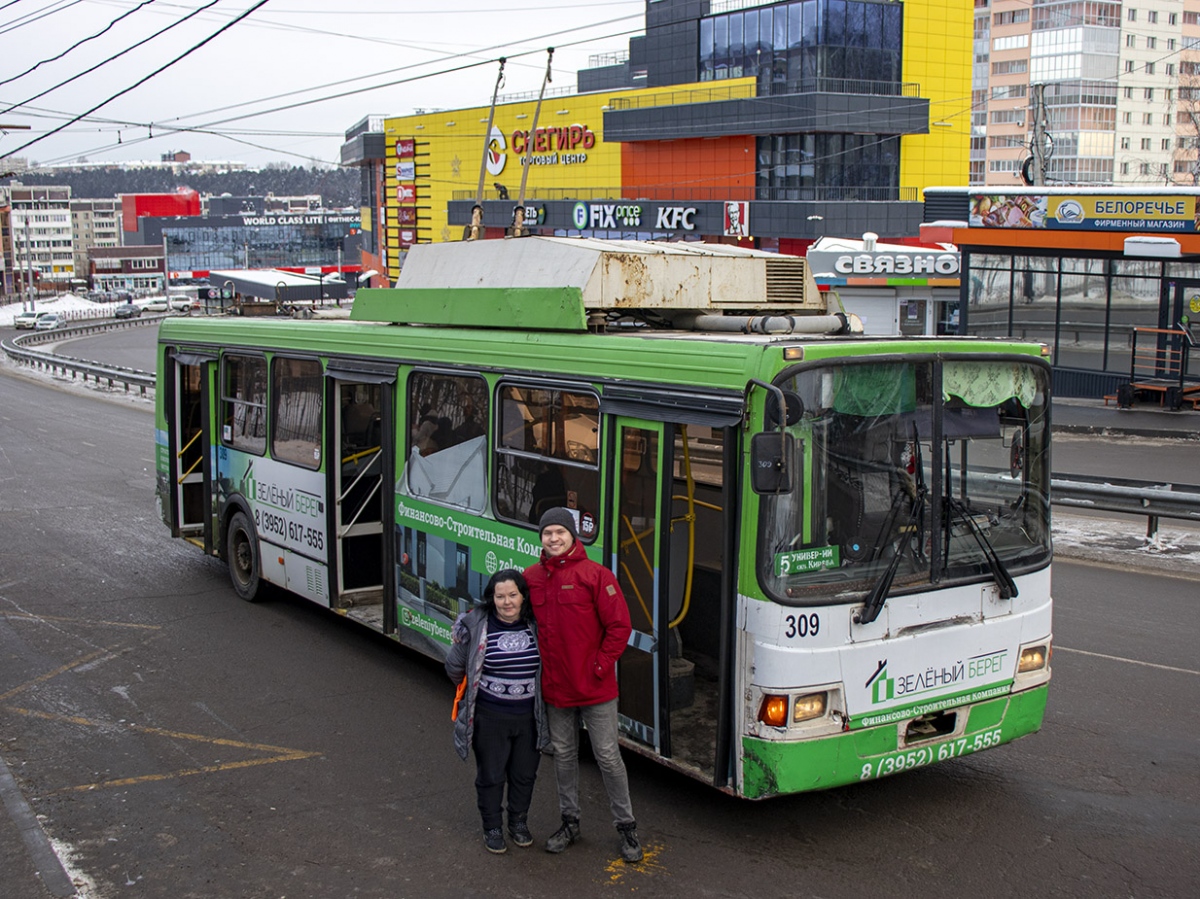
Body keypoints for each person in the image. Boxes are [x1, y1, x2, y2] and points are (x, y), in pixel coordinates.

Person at [524, 508, 644, 863]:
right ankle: (570, 822)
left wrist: (601, 665)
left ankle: (627, 827)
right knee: (563, 756)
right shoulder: (530, 578)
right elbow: (508, 611)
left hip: (595, 688)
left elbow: (620, 627)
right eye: (548, 533)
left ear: (573, 535)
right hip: (556, 689)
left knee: (607, 756)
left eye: (560, 532)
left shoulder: (596, 575)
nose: (554, 539)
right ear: (541, 538)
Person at [445, 569, 549, 855]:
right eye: (500, 596)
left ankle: (518, 823)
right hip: (489, 717)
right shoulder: (474, 625)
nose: (507, 602)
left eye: (512, 595)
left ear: (523, 596)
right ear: (491, 598)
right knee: (491, 775)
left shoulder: (536, 624)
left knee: (524, 775)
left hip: (529, 717)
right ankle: (492, 827)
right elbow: (454, 667)